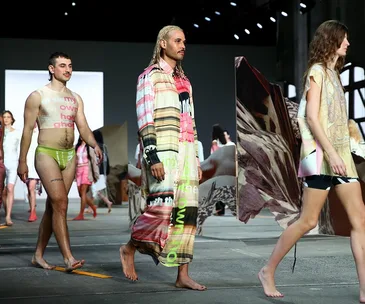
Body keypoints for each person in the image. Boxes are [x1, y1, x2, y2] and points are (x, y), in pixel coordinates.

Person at [258, 20, 365, 303]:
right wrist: (330, 153)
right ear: (332, 40)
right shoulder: (317, 72)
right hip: (320, 157)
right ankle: (267, 271)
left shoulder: (334, 74)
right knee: (307, 221)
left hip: (341, 159)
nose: (348, 44)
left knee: (361, 221)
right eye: (344, 39)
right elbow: (313, 118)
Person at [119, 25, 206, 291]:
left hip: (186, 152)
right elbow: (144, 118)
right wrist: (152, 156)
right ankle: (129, 247)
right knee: (161, 209)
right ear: (163, 44)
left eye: (185, 41)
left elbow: (190, 120)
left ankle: (182, 274)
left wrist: (196, 159)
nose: (183, 45)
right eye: (177, 40)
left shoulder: (185, 81)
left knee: (187, 214)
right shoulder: (149, 77)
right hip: (163, 152)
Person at [17, 51, 102, 272]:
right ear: (51, 69)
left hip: (69, 155)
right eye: (62, 65)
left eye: (70, 66)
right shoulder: (38, 96)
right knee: (61, 203)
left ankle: (38, 255)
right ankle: (68, 258)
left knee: (53, 207)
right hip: (47, 153)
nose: (68, 70)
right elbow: (27, 131)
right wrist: (22, 162)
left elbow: (83, 126)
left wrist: (94, 144)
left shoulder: (75, 98)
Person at [2, 110, 21, 226]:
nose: (6, 119)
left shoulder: (17, 133)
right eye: (4, 117)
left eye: (8, 117)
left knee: (10, 188)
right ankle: (6, 212)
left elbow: (21, 149)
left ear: (12, 119)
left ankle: (8, 216)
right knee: (3, 192)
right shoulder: (0, 132)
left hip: (13, 163)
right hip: (2, 163)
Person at [73, 136, 99, 220]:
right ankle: (93, 207)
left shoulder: (90, 148)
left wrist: (95, 175)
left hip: (86, 170)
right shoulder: (77, 147)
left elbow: (94, 162)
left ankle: (81, 214)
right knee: (80, 193)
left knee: (83, 192)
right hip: (78, 170)